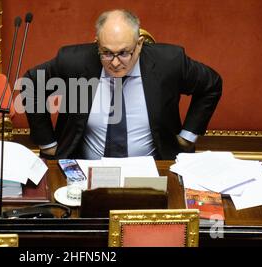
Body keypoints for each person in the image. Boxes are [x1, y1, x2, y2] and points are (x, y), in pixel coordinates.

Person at [23, 9, 222, 160]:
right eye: (107, 53)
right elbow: (32, 83)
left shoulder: (169, 62)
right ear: (97, 44)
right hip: (86, 169)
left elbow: (211, 84)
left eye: (124, 53)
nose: (116, 63)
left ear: (140, 44)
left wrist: (187, 136)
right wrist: (47, 143)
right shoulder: (73, 61)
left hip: (154, 169)